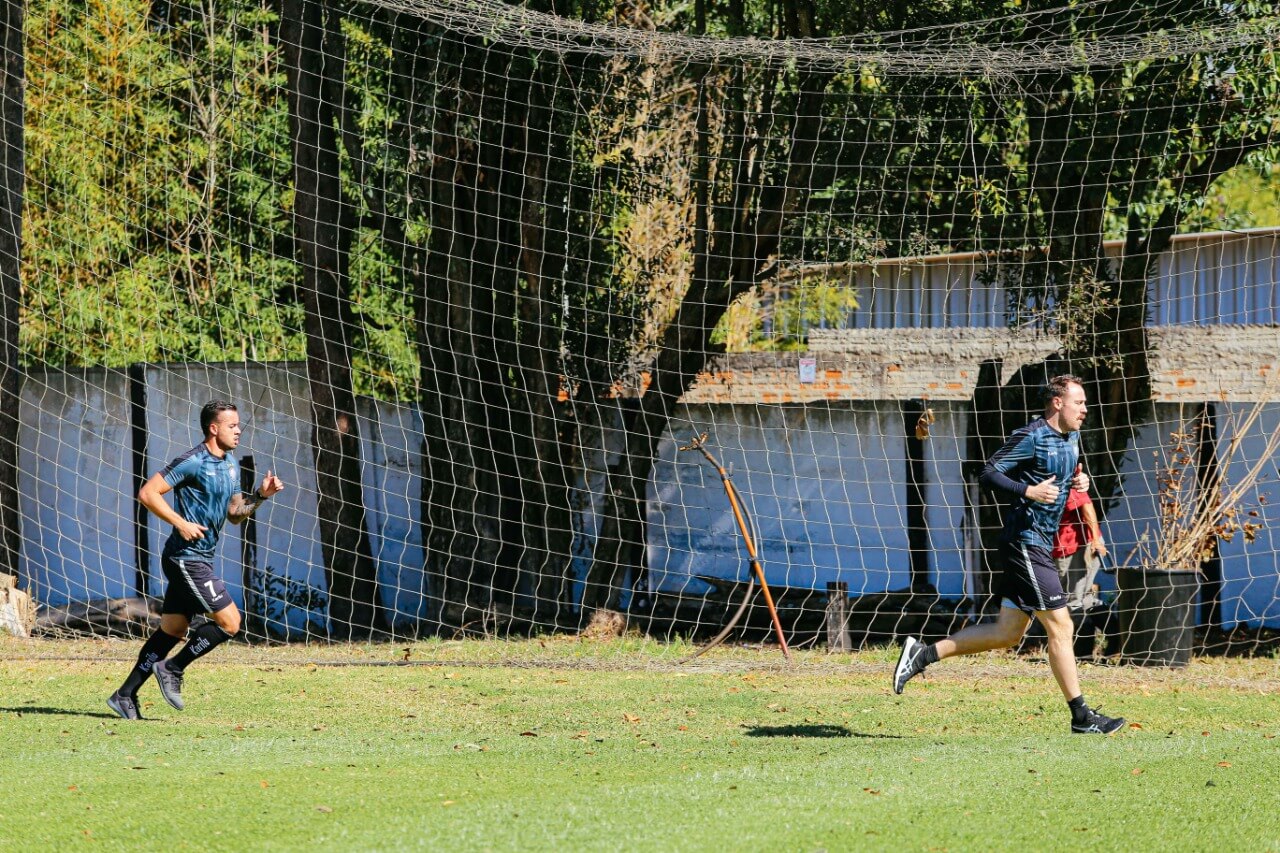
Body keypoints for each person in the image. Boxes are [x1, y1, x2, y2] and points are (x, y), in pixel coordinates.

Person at [892, 375, 1126, 735]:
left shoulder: (1073, 437)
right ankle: (1082, 717)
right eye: (1079, 402)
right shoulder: (1031, 435)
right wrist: (1028, 490)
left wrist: (1081, 482)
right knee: (1062, 625)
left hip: (1040, 543)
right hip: (1025, 542)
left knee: (1008, 632)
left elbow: (1070, 472)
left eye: (1084, 403)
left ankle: (921, 655)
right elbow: (988, 472)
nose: (1085, 409)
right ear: (1057, 403)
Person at [107, 400, 284, 720]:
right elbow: (148, 493)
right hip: (185, 558)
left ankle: (124, 695)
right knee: (231, 622)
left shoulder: (230, 464)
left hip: (199, 559)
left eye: (239, 425)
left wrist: (259, 496)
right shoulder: (192, 461)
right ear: (213, 428)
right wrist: (181, 523)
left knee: (172, 630)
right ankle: (172, 668)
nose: (239, 430)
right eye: (232, 426)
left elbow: (234, 514)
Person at [1053, 486, 1107, 612]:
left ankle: (1077, 630)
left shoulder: (1062, 477)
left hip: (1078, 545)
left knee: (1073, 599)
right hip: (1061, 545)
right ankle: (1110, 627)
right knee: (1083, 598)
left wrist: (1095, 540)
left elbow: (1086, 505)